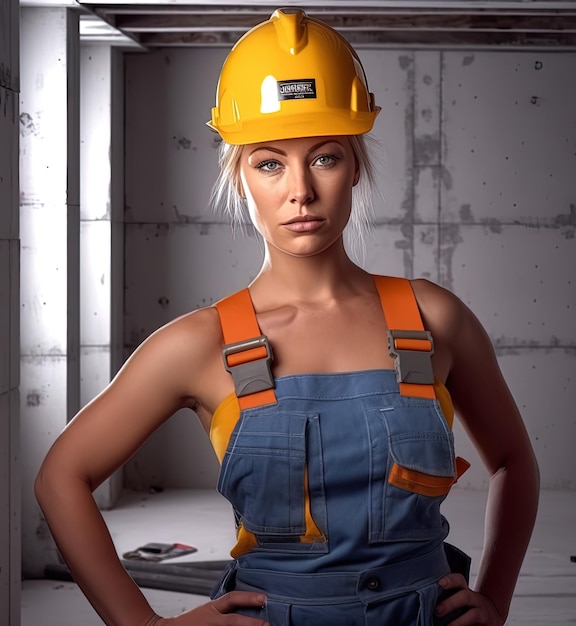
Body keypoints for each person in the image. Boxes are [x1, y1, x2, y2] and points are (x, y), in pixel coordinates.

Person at [35, 7, 539, 626]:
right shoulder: (200, 343)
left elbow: (514, 461)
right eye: (269, 162)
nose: (300, 188)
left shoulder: (434, 317)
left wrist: (496, 598)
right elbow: (61, 476)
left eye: (325, 157)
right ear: (240, 178)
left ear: (356, 166)